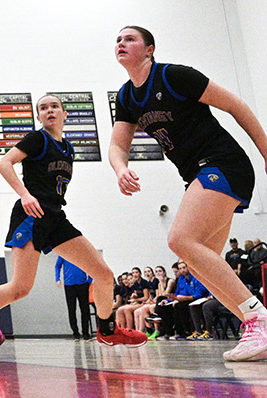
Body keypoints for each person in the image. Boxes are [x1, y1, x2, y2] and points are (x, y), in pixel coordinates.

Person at [110, 25, 267, 361]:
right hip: (197, 173)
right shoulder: (126, 97)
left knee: (180, 240)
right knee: (200, 265)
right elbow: (116, 145)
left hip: (224, 163)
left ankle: (258, 318)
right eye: (118, 40)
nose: (121, 43)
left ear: (150, 49)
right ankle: (255, 327)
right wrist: (121, 169)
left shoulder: (176, 77)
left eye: (130, 39)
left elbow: (236, 106)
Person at [0, 94, 147, 346]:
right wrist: (24, 195)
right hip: (31, 214)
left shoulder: (68, 148)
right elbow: (4, 163)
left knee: (103, 274)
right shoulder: (37, 139)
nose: (49, 110)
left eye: (54, 106)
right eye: (43, 108)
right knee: (20, 288)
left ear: (65, 114)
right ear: (38, 116)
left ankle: (108, 330)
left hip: (55, 217)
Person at [55, 256, 93, 339]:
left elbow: (91, 265)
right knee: (71, 309)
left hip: (82, 284)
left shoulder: (82, 252)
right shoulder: (63, 252)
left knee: (85, 309)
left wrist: (89, 280)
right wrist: (57, 278)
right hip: (69, 285)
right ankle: (75, 333)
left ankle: (86, 333)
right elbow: (58, 265)